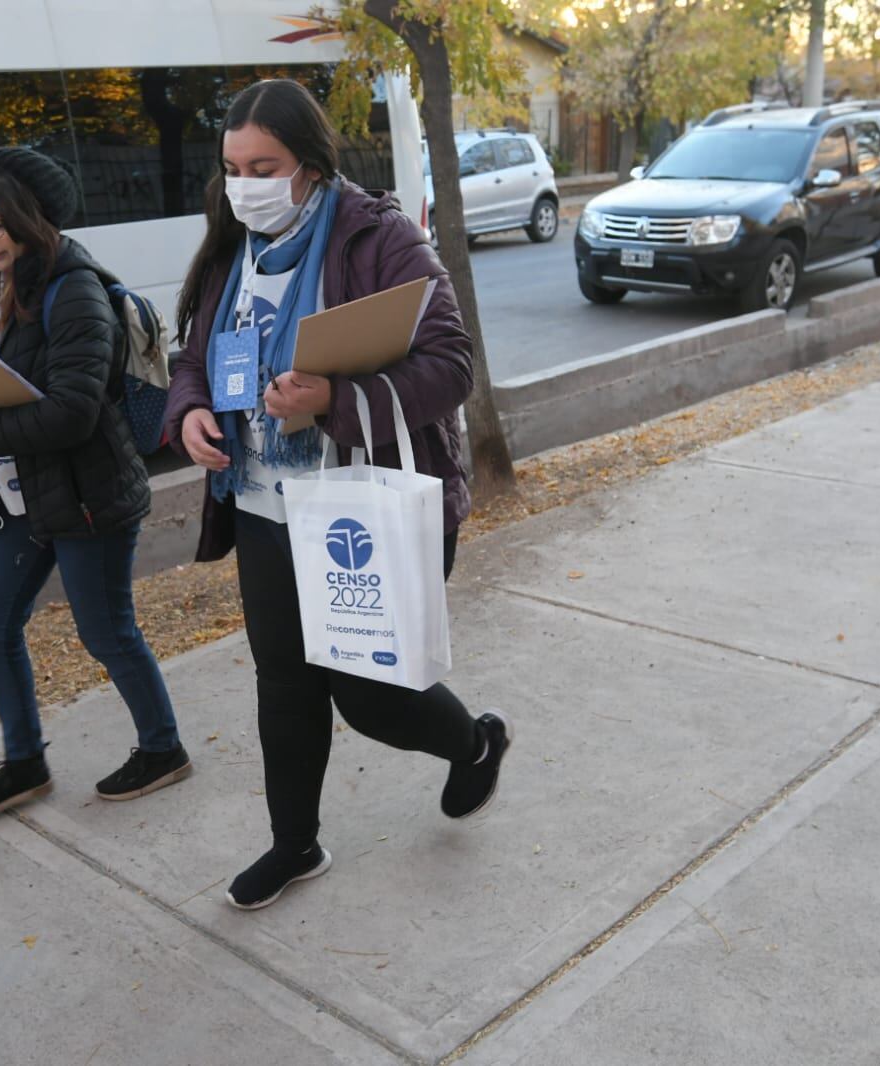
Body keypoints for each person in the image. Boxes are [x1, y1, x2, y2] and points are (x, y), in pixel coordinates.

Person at [164, 80, 510, 910]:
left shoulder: (375, 237)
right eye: (232, 168)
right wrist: (191, 413)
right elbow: (191, 357)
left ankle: (473, 743)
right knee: (282, 681)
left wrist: (332, 402)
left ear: (310, 165)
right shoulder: (230, 248)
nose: (244, 184)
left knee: (369, 694)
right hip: (262, 506)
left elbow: (451, 363)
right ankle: (295, 844)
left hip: (363, 508)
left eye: (265, 166)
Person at [0, 147, 189, 814]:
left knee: (106, 635)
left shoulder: (74, 291)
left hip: (84, 494)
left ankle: (162, 747)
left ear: (33, 218)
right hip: (17, 501)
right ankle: (24, 764)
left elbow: (71, 414)